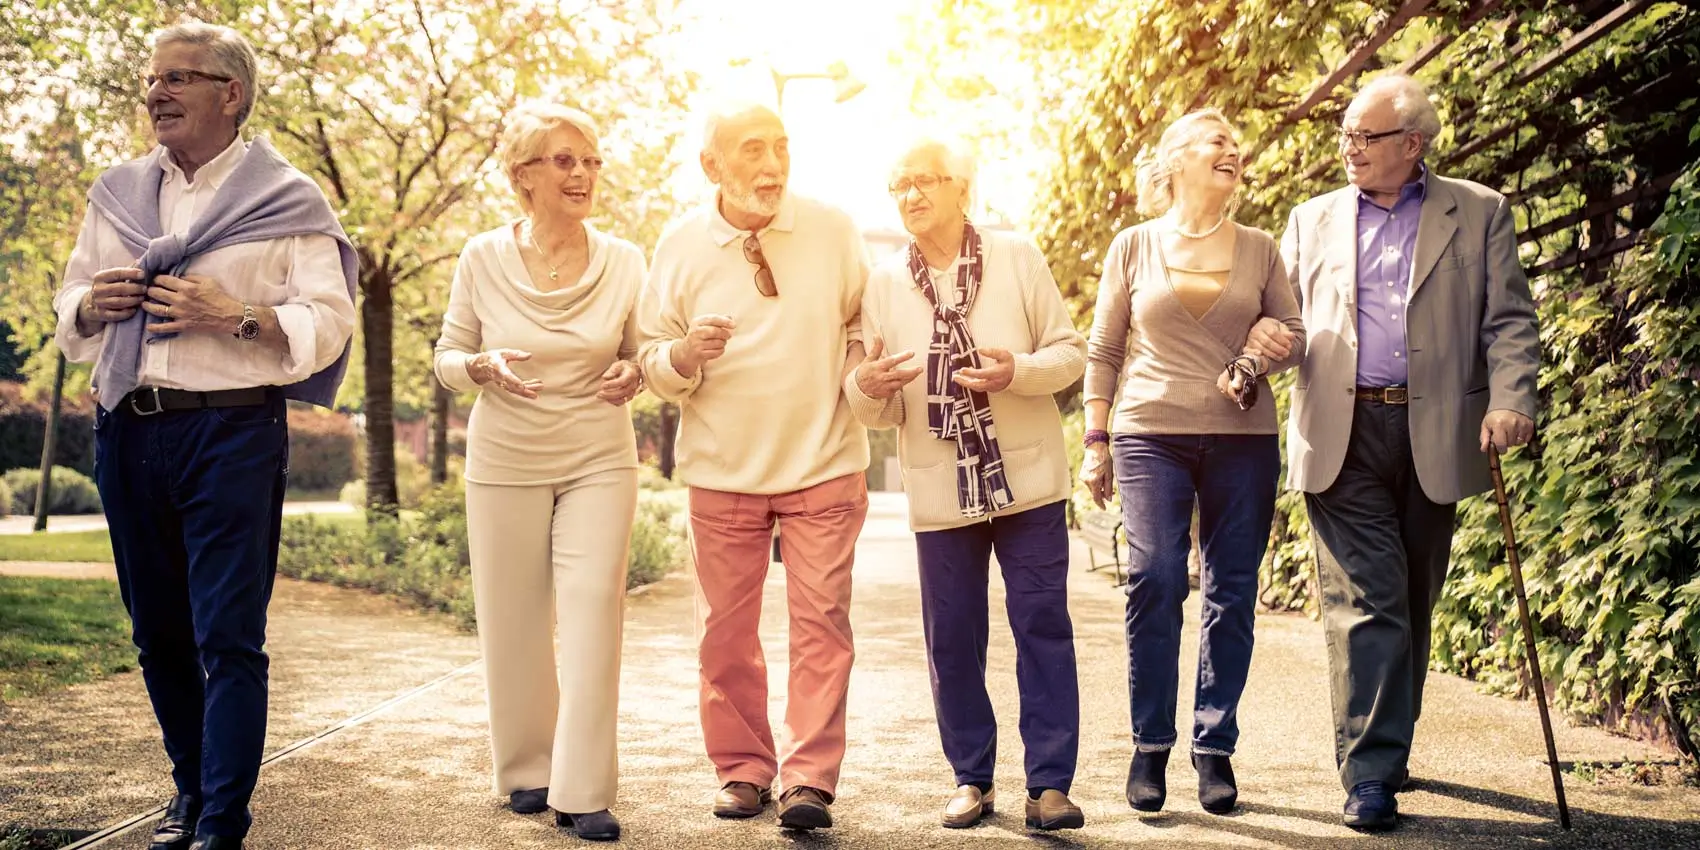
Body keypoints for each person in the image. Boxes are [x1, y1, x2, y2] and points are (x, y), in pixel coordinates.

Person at [51, 22, 357, 850]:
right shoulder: (114, 191)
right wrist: (90, 304)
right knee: (157, 632)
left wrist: (239, 316)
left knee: (227, 633)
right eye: (152, 80)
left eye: (180, 78)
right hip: (128, 429)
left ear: (233, 93)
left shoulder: (290, 199)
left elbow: (330, 323)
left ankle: (222, 820)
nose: (157, 93)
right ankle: (189, 789)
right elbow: (69, 300)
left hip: (232, 432)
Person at [1264, 73, 1539, 831]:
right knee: (1368, 600)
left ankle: (1387, 738)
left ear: (1412, 144)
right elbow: (1285, 322)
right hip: (1341, 430)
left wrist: (1514, 398)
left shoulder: (1479, 211)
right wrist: (1264, 345)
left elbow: (1509, 321)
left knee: (1414, 595)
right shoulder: (1311, 219)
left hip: (1436, 429)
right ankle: (1372, 772)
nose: (1348, 147)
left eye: (1365, 136)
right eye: (1345, 134)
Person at [635, 101, 870, 832]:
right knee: (724, 636)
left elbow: (865, 321)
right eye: (752, 151)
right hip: (723, 470)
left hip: (824, 461)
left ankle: (808, 780)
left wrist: (869, 373)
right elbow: (648, 356)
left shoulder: (832, 229)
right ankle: (742, 768)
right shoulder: (678, 247)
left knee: (822, 626)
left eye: (781, 147)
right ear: (712, 166)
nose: (772, 165)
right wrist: (683, 357)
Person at [846, 137, 1087, 831]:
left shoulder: (1017, 255)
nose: (911, 195)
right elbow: (879, 403)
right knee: (951, 635)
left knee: (1042, 623)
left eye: (924, 180)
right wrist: (866, 388)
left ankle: (1049, 785)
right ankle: (971, 779)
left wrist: (1018, 371)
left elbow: (1068, 352)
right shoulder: (884, 283)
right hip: (940, 484)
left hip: (1028, 478)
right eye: (899, 185)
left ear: (961, 187)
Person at [1079, 108, 1305, 817]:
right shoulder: (1134, 245)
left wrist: (1273, 338)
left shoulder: (1261, 247)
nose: (1231, 151)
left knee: (1233, 590)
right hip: (1150, 431)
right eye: (1217, 142)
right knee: (1154, 576)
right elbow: (1105, 348)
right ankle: (1150, 745)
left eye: (1236, 146)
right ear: (1175, 161)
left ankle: (1215, 748)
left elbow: (1296, 335)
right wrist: (1095, 440)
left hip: (1242, 438)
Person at [432, 101, 645, 843]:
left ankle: (582, 789)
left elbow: (640, 354)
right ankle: (526, 768)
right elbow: (447, 356)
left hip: (597, 455)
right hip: (504, 460)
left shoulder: (624, 259)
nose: (583, 173)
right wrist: (478, 367)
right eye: (564, 160)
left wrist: (632, 374)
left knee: (592, 613)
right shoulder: (481, 257)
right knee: (513, 619)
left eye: (589, 160)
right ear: (524, 176)